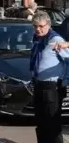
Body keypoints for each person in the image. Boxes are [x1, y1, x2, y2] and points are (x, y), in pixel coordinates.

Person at [30, 11, 69, 143]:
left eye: (41, 26)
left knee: (52, 124)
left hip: (52, 88)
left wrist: (65, 80)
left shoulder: (56, 40)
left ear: (48, 25)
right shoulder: (37, 39)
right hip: (39, 85)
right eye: (35, 26)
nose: (38, 29)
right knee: (41, 122)